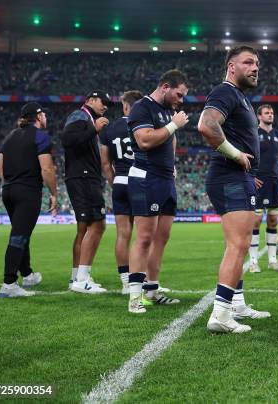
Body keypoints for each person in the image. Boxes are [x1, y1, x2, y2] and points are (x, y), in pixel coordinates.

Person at [198, 45, 270, 333]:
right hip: (228, 174)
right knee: (238, 244)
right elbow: (206, 125)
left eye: (257, 64)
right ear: (231, 66)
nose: (255, 68)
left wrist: (247, 171)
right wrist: (236, 154)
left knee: (239, 244)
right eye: (248, 62)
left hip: (237, 176)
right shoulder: (225, 91)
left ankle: (236, 303)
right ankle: (220, 314)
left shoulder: (239, 96)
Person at [126, 70, 189, 314]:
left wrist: (172, 164)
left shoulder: (166, 111)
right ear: (165, 87)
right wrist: (174, 124)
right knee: (143, 238)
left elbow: (169, 139)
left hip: (165, 179)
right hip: (146, 178)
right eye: (179, 94)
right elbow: (144, 140)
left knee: (162, 237)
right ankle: (134, 297)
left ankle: (151, 291)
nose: (181, 100)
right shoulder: (142, 107)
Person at [0, 103, 57, 298]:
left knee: (22, 233)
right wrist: (53, 193)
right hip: (27, 191)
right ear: (38, 116)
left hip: (9, 191)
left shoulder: (10, 136)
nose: (45, 116)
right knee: (19, 236)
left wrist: (12, 183)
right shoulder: (41, 136)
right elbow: (46, 169)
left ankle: (28, 274)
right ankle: (9, 283)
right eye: (43, 113)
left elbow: (0, 168)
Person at [62, 91, 111, 293]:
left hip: (85, 177)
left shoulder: (87, 118)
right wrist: (94, 128)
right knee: (97, 225)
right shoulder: (80, 116)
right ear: (90, 100)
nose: (106, 106)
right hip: (83, 177)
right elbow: (67, 140)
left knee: (84, 229)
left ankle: (77, 277)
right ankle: (81, 279)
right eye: (103, 102)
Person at [100, 90, 143, 294]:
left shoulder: (110, 129)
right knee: (144, 235)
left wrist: (113, 182)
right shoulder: (144, 124)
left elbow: (105, 163)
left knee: (122, 235)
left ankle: (126, 282)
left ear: (125, 106)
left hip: (120, 182)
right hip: (140, 181)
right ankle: (143, 281)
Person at [248, 104, 278, 273]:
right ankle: (253, 262)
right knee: (256, 221)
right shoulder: (253, 133)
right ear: (259, 116)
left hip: (275, 183)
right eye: (267, 113)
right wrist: (250, 176)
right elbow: (245, 154)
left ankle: (272, 260)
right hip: (258, 182)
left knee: (274, 220)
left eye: (272, 113)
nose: (270, 115)